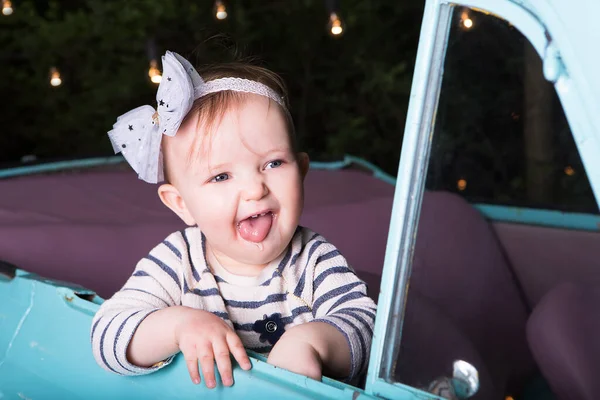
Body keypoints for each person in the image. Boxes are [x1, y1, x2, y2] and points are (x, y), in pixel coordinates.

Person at [91, 51, 377, 389]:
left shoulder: (312, 258)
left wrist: (314, 342)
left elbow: (367, 327)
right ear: (181, 204)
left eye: (273, 164)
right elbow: (107, 333)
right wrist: (178, 326)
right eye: (221, 177)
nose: (255, 189)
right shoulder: (179, 260)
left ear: (300, 171)